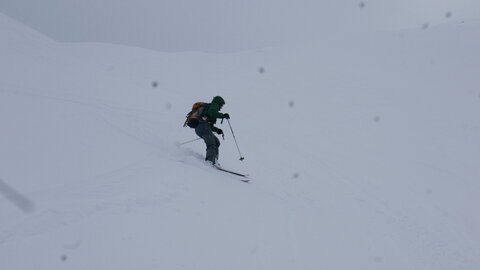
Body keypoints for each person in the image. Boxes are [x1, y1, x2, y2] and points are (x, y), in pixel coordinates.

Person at [195, 96, 230, 166]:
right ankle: (210, 161)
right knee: (211, 143)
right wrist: (223, 115)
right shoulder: (214, 105)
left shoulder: (210, 107)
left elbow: (209, 125)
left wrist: (217, 130)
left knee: (216, 142)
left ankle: (214, 160)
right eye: (222, 105)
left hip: (201, 128)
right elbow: (212, 113)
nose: (222, 107)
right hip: (203, 126)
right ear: (219, 103)